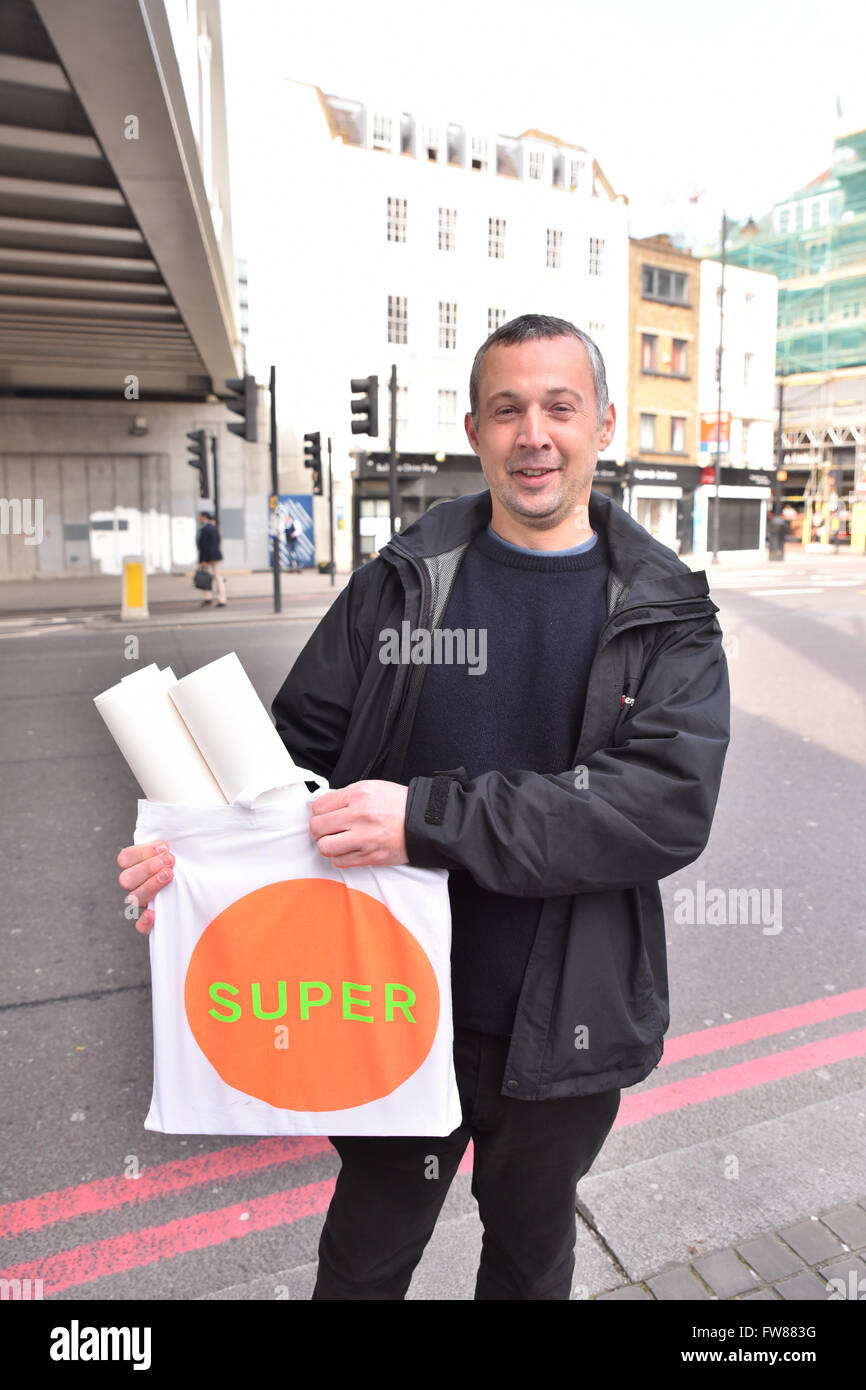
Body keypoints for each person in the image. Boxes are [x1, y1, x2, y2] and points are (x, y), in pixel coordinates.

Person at [117, 314, 730, 1301]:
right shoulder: (401, 583)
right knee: (364, 1256)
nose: (532, 432)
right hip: (385, 999)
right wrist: (195, 852)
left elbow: (659, 808)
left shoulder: (665, 609)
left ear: (602, 423)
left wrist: (424, 818)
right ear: (475, 428)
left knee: (529, 1257)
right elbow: (292, 763)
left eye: (557, 407)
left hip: (565, 1023)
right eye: (506, 409)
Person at [197, 508, 227, 606]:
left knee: (205, 577)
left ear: (204, 517)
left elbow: (204, 546)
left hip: (208, 557)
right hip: (216, 556)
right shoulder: (214, 528)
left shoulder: (205, 529)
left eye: (200, 517)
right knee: (218, 577)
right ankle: (222, 599)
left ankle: (207, 597)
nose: (199, 519)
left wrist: (203, 560)